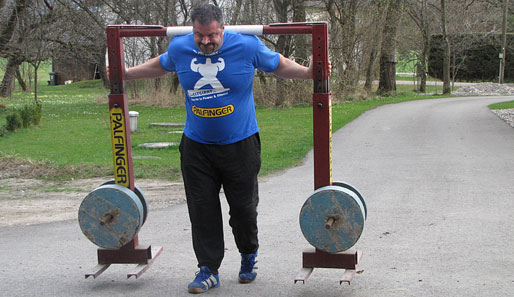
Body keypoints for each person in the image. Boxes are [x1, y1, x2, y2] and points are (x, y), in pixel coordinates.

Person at [118, 3, 317, 294]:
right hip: (197, 147)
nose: (206, 41)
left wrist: (310, 73)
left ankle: (249, 254)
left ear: (222, 29)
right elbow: (160, 65)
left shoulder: (246, 45)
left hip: (240, 145)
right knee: (202, 210)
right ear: (192, 31)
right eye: (200, 35)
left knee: (244, 210)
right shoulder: (181, 47)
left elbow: (280, 64)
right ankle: (208, 270)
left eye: (212, 35)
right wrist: (126, 73)